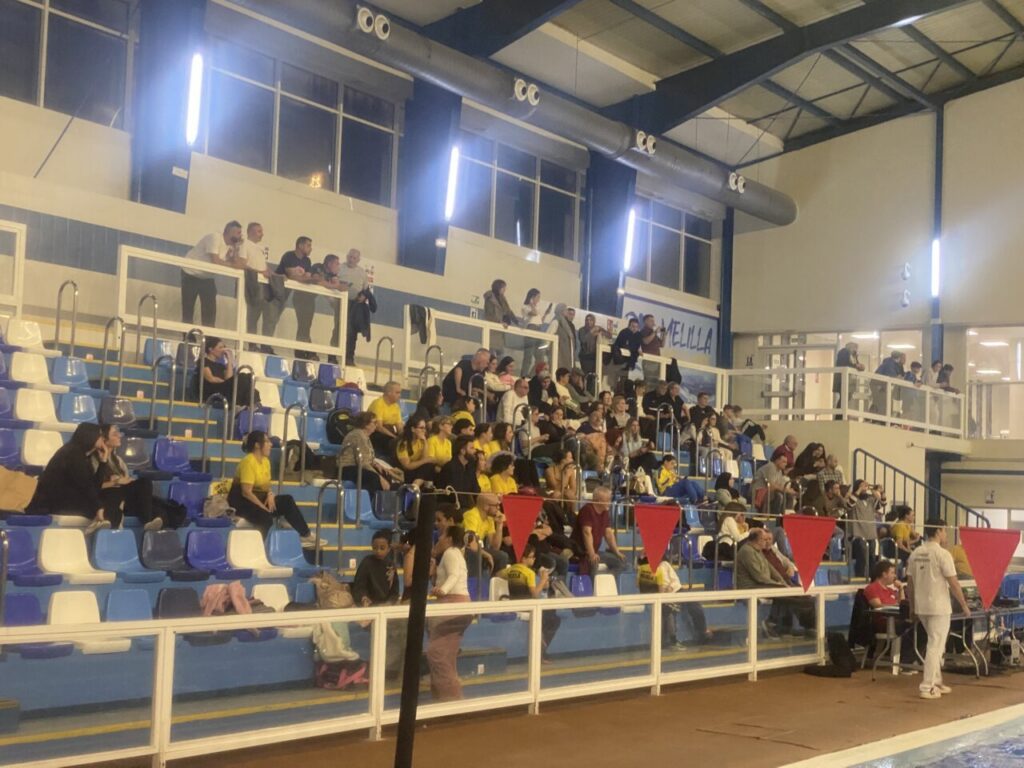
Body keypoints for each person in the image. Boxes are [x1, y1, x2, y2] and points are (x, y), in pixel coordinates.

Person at [907, 518, 971, 699]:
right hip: (939, 607)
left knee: (936, 644)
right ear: (938, 531)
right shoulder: (943, 554)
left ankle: (937, 681)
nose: (946, 534)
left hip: (922, 606)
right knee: (935, 646)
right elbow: (954, 582)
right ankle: (927, 687)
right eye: (944, 530)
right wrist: (964, 605)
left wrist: (912, 607)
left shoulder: (915, 553)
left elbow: (909, 584)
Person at [229, 431, 320, 545]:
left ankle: (305, 534)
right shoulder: (248, 461)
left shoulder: (266, 461)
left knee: (286, 501)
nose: (271, 444)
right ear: (257, 445)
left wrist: (270, 494)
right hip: (242, 502)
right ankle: (255, 547)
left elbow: (266, 485)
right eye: (267, 441)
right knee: (266, 518)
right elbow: (246, 492)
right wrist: (263, 507)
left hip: (257, 498)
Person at [27, 422, 115, 534]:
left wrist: (103, 462)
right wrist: (98, 507)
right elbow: (86, 486)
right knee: (108, 503)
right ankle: (103, 533)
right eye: (100, 435)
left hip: (68, 498)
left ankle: (105, 531)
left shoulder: (82, 455)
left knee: (112, 496)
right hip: (57, 502)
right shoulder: (72, 454)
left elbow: (94, 486)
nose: (103, 439)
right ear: (90, 436)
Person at [736, 529, 814, 636]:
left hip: (764, 584)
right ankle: (773, 622)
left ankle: (801, 625)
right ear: (758, 540)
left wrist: (783, 583)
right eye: (764, 539)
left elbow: (772, 570)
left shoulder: (758, 551)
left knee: (798, 595)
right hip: (752, 586)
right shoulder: (746, 552)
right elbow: (760, 577)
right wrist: (779, 585)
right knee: (790, 596)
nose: (767, 542)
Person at [426, 525, 472, 701]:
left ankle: (450, 700)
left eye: (442, 535)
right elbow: (451, 577)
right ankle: (446, 697)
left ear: (450, 539)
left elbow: (453, 576)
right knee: (446, 655)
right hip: (459, 605)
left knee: (437, 654)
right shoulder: (456, 554)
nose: (439, 538)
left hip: (453, 605)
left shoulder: (451, 552)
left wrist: (443, 590)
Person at [93, 424, 167, 531]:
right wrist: (116, 482)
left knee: (149, 490)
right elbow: (93, 487)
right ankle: (147, 520)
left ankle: (152, 521)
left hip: (124, 498)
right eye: (114, 434)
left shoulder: (118, 461)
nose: (119, 436)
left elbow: (126, 482)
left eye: (118, 433)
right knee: (144, 487)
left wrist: (127, 481)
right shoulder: (95, 460)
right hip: (108, 498)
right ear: (104, 439)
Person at [637, 551, 712, 650]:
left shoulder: (664, 565)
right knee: (668, 609)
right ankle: (669, 640)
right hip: (664, 596)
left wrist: (668, 590)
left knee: (694, 603)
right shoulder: (646, 570)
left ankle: (702, 631)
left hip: (678, 591)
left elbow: (671, 583)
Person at [505, 542, 561, 660]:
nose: (534, 559)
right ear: (523, 558)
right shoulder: (529, 573)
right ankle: (541, 649)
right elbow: (535, 594)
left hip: (514, 603)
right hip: (527, 606)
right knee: (554, 619)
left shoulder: (511, 570)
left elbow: (499, 575)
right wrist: (543, 580)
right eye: (532, 556)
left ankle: (541, 642)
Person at [181, 221, 244, 326]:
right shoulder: (215, 238)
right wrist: (233, 265)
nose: (240, 236)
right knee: (188, 310)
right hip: (190, 273)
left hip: (206, 277)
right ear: (229, 232)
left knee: (210, 312)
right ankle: (188, 339)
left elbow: (235, 263)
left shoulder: (230, 246)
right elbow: (216, 261)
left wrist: (237, 248)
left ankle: (209, 340)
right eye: (238, 233)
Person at [864, 559, 916, 668]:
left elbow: (902, 604)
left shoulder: (890, 590)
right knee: (910, 627)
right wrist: (893, 606)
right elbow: (878, 605)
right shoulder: (872, 588)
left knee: (918, 625)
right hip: (883, 622)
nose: (895, 576)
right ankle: (905, 661)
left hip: (897, 619)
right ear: (884, 574)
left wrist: (901, 588)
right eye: (892, 572)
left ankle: (911, 658)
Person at [275, 236, 318, 360]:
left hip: (288, 294)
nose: (311, 248)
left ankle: (303, 350)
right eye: (308, 245)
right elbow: (291, 275)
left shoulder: (307, 261)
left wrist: (306, 278)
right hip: (276, 291)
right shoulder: (289, 256)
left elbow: (307, 278)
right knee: (272, 318)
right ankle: (263, 346)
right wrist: (304, 278)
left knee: (303, 324)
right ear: (300, 245)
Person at [571, 486, 625, 575]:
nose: (609, 502)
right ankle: (592, 587)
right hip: (581, 552)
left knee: (621, 562)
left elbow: (608, 534)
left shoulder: (605, 511)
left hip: (595, 551)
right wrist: (592, 554)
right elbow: (586, 533)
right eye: (607, 500)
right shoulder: (587, 510)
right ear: (598, 500)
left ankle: (606, 582)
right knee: (593, 563)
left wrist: (616, 552)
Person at [339, 412, 395, 494]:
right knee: (374, 478)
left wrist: (377, 465)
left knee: (384, 473)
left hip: (358, 466)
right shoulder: (358, 435)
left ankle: (380, 503)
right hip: (348, 468)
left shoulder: (365, 436)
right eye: (374, 422)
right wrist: (380, 478)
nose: (376, 425)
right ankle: (365, 502)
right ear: (366, 424)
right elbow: (363, 462)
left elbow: (369, 457)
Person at [239, 221, 273, 350]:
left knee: (260, 315)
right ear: (251, 232)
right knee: (251, 315)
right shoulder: (244, 245)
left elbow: (263, 267)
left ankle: (261, 344)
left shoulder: (260, 248)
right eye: (259, 231)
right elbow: (242, 264)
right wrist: (260, 272)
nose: (262, 234)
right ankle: (251, 344)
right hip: (251, 284)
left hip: (262, 285)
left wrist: (273, 274)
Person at [198, 337, 257, 406]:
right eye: (220, 347)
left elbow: (229, 377)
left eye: (224, 347)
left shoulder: (220, 365)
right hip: (212, 390)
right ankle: (251, 403)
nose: (223, 350)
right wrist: (226, 382)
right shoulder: (203, 361)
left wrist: (229, 360)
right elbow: (211, 379)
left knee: (248, 377)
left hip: (222, 388)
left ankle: (252, 404)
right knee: (242, 377)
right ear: (211, 349)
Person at [462, 492, 510, 575]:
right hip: (464, 548)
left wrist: (499, 525)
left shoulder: (490, 519)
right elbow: (470, 542)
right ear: (485, 506)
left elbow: (495, 546)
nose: (498, 508)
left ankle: (494, 584)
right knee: (474, 555)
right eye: (496, 505)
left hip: (477, 548)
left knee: (502, 556)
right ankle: (473, 584)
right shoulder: (471, 515)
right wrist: (486, 554)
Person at [352, 529, 400, 607]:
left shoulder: (391, 565)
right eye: (375, 548)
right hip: (368, 605)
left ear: (389, 548)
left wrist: (390, 602)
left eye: (382, 548)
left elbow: (395, 591)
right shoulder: (366, 562)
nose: (378, 551)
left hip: (386, 606)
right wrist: (363, 598)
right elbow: (359, 586)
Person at [751, 449, 795, 515]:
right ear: (777, 460)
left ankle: (786, 516)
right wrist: (786, 490)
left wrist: (789, 490)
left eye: (786, 462)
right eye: (783, 462)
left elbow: (780, 485)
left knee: (789, 496)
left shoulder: (779, 471)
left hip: (769, 491)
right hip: (759, 490)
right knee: (779, 496)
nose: (785, 464)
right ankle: (775, 518)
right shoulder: (771, 467)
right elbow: (772, 486)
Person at [396, 418, 437, 485]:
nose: (424, 430)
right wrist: (426, 460)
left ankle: (416, 486)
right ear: (413, 429)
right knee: (427, 466)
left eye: (425, 428)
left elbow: (424, 459)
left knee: (429, 466)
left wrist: (425, 442)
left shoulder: (421, 441)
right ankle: (415, 487)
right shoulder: (403, 444)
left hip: (419, 472)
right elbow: (407, 466)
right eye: (421, 428)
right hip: (407, 473)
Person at [366, 382, 402, 458]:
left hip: (388, 433)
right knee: (393, 442)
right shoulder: (378, 403)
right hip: (375, 433)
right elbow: (379, 427)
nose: (400, 395)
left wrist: (404, 436)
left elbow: (399, 427)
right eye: (397, 393)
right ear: (389, 393)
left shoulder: (396, 407)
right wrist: (394, 437)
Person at [521, 288, 552, 374]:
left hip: (538, 329)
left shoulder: (536, 308)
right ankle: (523, 375)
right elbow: (533, 314)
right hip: (531, 328)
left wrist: (546, 314)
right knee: (528, 356)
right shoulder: (526, 307)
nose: (539, 300)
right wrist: (531, 304)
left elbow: (539, 321)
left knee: (540, 358)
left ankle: (532, 375)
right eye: (537, 297)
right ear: (532, 297)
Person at [483, 279, 518, 353]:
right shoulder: (490, 299)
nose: (505, 290)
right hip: (492, 330)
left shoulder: (502, 299)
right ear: (498, 288)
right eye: (503, 288)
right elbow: (489, 315)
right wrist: (500, 322)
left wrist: (517, 322)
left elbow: (508, 311)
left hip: (500, 332)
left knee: (500, 354)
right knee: (492, 354)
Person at [833, 341, 865, 416]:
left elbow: (855, 365)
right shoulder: (844, 352)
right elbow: (844, 364)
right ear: (851, 347)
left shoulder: (853, 356)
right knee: (843, 398)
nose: (856, 350)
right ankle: (839, 416)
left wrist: (859, 365)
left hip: (849, 381)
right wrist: (856, 366)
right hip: (842, 380)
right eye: (855, 348)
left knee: (846, 398)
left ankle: (841, 415)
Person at [871, 351, 907, 415]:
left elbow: (902, 376)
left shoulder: (898, 366)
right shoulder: (890, 364)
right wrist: (898, 378)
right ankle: (877, 419)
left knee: (883, 403)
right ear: (899, 358)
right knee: (881, 403)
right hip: (879, 386)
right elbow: (892, 377)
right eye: (903, 358)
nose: (905, 360)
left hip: (883, 387)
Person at [552, 304, 577, 371]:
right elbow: (550, 335)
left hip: (566, 353)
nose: (567, 312)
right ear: (561, 311)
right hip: (559, 353)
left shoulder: (566, 323)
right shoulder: (556, 321)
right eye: (566, 310)